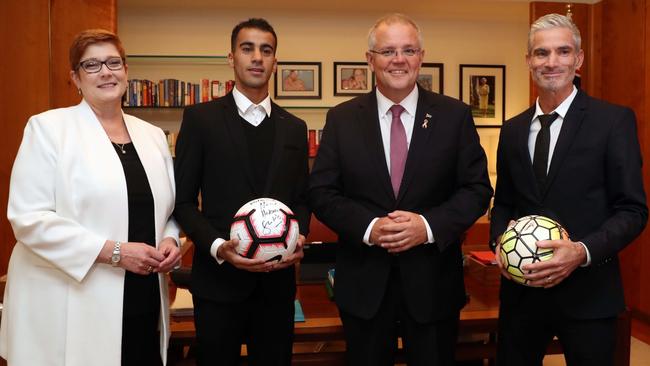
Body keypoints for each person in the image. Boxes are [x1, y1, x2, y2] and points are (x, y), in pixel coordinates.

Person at [309, 13, 492, 366]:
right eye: (388, 50)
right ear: (370, 59)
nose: (398, 59)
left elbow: (476, 190)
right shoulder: (342, 118)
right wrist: (370, 228)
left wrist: (425, 227)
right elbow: (321, 192)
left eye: (408, 50)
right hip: (363, 286)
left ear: (421, 57)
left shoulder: (454, 116)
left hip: (434, 285)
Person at [0, 29, 181, 366]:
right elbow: (29, 219)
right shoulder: (48, 129)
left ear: (126, 70)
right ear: (75, 78)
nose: (106, 72)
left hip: (141, 294)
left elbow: (167, 209)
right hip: (71, 298)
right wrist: (115, 252)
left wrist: (171, 239)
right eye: (92, 65)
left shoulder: (153, 136)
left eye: (113, 62)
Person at [490, 14, 647, 366]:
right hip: (521, 296)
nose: (552, 62)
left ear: (578, 60)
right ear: (528, 60)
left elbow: (633, 210)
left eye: (563, 51)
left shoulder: (612, 121)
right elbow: (504, 202)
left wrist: (581, 251)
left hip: (590, 294)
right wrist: (500, 241)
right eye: (541, 53)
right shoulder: (512, 130)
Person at [174, 18, 310, 366]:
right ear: (231, 57)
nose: (257, 58)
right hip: (218, 284)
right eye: (247, 48)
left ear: (275, 62)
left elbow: (302, 198)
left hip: (277, 287)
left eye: (266, 50)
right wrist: (220, 247)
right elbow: (184, 201)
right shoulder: (200, 119)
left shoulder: (294, 128)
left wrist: (299, 237)